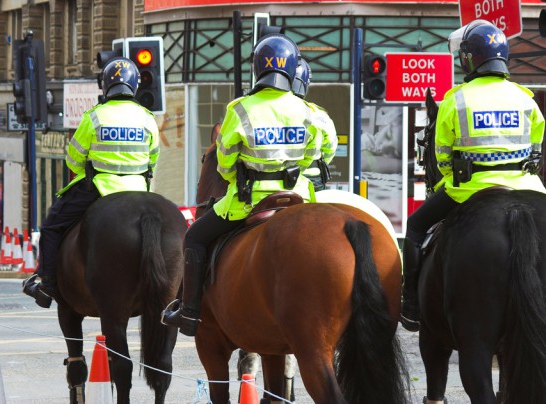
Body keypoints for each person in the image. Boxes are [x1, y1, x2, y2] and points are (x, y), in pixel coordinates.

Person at [162, 33, 321, 336]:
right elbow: (315, 154)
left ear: (258, 68)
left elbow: (224, 161)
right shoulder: (308, 110)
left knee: (195, 237)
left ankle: (190, 312)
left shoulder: (240, 109)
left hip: (247, 202)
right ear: (291, 68)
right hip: (298, 196)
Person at [400, 20, 546, 332]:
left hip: (468, 189)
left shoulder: (456, 99)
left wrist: (449, 180)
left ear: (470, 59)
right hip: (527, 188)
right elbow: (535, 149)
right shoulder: (526, 98)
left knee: (414, 227)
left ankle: (411, 305)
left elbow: (441, 156)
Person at [22, 57, 160, 308]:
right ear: (135, 86)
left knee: (52, 226)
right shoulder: (148, 118)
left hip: (99, 189)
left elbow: (73, 160)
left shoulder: (94, 117)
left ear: (106, 86)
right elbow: (153, 160)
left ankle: (47, 284)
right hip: (139, 191)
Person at [293, 58, 338, 191]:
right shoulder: (318, 114)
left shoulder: (265, 112)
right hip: (312, 183)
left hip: (273, 184)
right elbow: (330, 149)